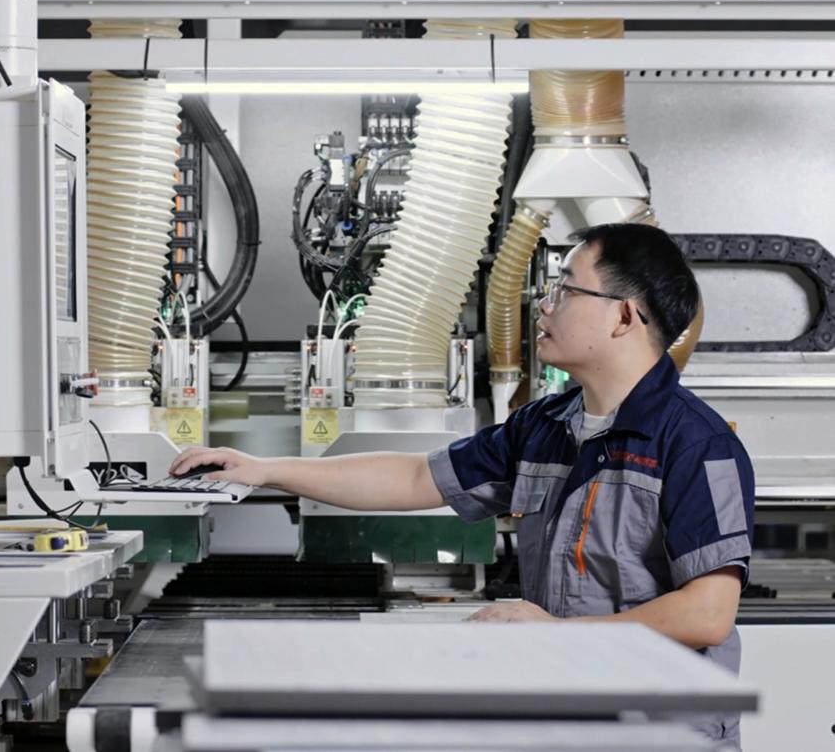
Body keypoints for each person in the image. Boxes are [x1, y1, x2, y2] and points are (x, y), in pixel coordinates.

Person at [172, 223, 754, 746]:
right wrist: (266, 468)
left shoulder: (695, 444)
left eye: (565, 290)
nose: (545, 305)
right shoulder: (545, 426)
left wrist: (559, 634)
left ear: (623, 317)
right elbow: (415, 476)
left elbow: (707, 613)